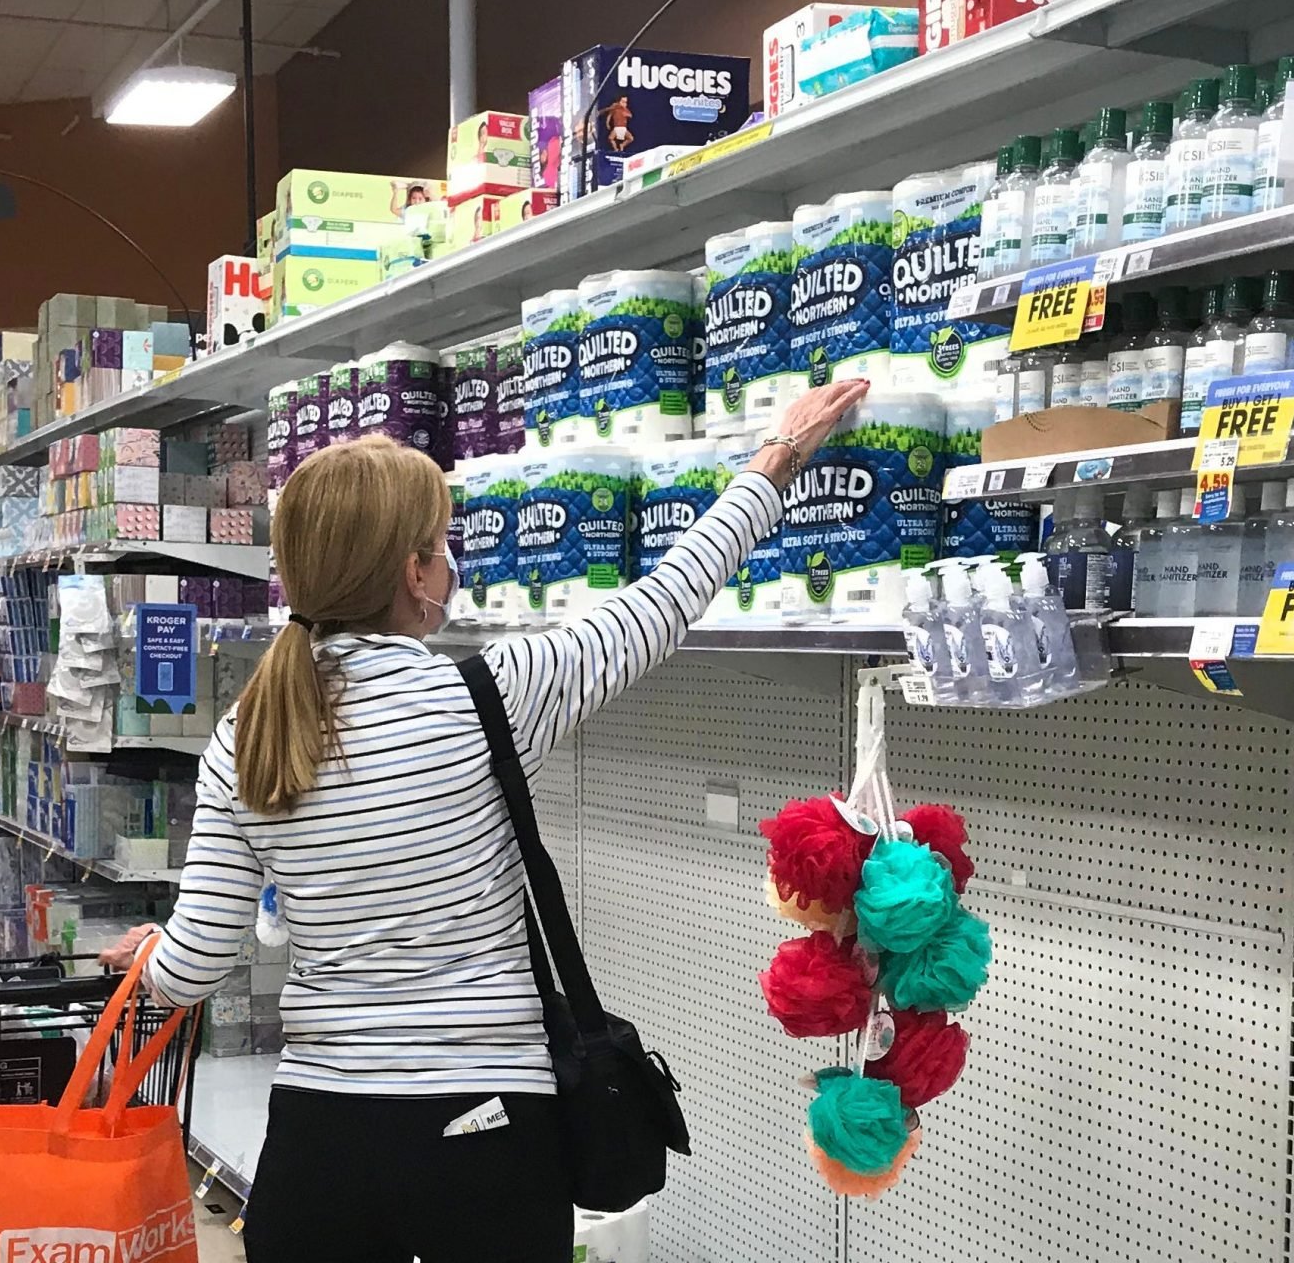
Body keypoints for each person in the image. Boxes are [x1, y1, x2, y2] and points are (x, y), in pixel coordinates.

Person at [99, 379, 868, 1261]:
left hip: (319, 1141)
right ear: (414, 574)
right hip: (487, 1129)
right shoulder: (493, 697)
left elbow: (195, 966)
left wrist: (154, 959)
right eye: (440, 544)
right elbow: (663, 601)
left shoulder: (247, 736)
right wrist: (775, 459)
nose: (449, 561)